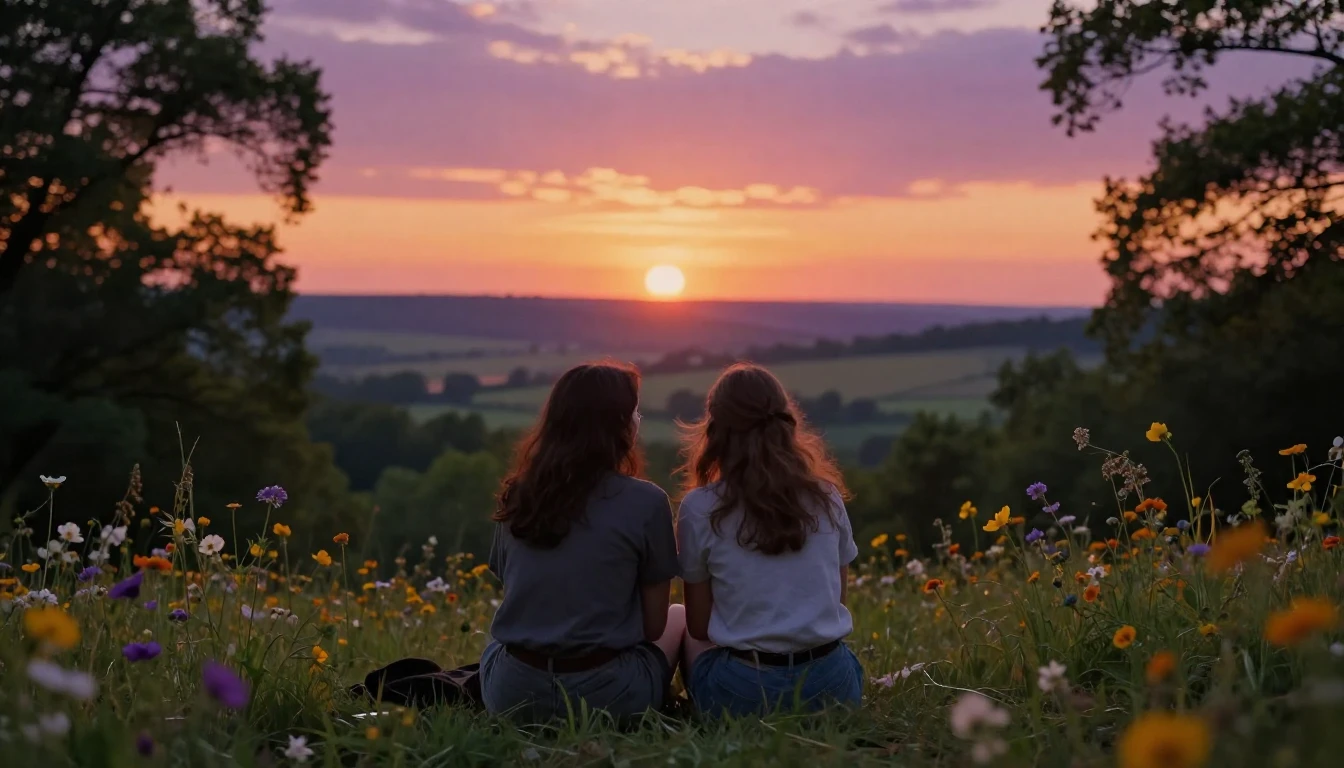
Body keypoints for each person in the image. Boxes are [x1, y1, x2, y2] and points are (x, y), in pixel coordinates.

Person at [480, 362, 684, 723]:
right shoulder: (647, 502)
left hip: (512, 696)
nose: (639, 419)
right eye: (635, 411)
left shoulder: (519, 495)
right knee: (679, 617)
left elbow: (514, 585)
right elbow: (653, 628)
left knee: (495, 643)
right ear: (621, 424)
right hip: (610, 697)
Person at [675, 362, 863, 716]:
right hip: (832, 687)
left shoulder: (699, 508)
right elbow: (835, 598)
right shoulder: (826, 496)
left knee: (682, 627)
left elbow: (699, 627)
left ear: (716, 431)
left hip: (745, 693)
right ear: (785, 421)